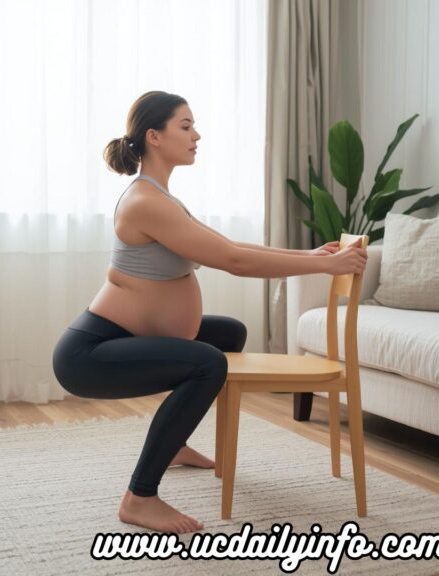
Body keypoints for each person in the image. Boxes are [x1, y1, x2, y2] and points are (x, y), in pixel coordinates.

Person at [51, 90, 367, 535]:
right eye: (186, 126)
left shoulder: (160, 196)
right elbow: (235, 263)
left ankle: (174, 442)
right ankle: (139, 497)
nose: (196, 135)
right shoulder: (146, 202)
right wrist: (323, 266)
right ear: (154, 137)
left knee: (227, 334)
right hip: (91, 353)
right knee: (207, 364)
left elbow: (233, 247)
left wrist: (311, 255)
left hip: (123, 340)